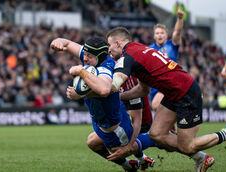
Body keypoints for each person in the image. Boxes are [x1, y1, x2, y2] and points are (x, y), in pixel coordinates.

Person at [106, 27, 226, 171]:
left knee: (187, 146)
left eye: (109, 45)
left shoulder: (128, 56)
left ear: (118, 43)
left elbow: (115, 83)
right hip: (174, 93)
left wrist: (103, 92)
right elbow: (143, 90)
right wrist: (119, 97)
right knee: (156, 134)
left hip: (186, 92)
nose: (108, 50)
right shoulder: (137, 50)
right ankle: (202, 158)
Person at [50, 37, 156, 171]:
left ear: (100, 57)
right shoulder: (91, 56)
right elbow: (69, 44)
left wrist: (80, 74)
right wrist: (59, 41)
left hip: (114, 125)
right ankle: (130, 165)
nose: (85, 58)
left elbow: (104, 90)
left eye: (89, 56)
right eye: (85, 54)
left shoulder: (107, 68)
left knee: (117, 148)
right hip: (102, 118)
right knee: (92, 143)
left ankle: (157, 137)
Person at [149, 9, 184, 111]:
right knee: (158, 108)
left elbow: (177, 32)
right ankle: (170, 126)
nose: (160, 35)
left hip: (170, 82)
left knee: (156, 104)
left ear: (166, 35)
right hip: (155, 86)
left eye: (162, 33)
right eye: (157, 33)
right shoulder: (149, 49)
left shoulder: (171, 45)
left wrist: (180, 18)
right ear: (154, 36)